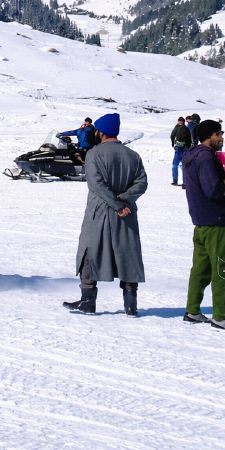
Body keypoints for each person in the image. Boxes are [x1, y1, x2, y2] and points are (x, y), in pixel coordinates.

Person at [63, 113, 148, 317]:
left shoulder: (94, 154)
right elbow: (142, 183)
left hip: (100, 212)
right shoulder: (133, 155)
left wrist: (115, 203)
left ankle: (87, 302)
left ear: (100, 132)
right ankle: (131, 306)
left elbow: (97, 185)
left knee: (89, 252)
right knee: (128, 254)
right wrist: (124, 201)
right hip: (126, 213)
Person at [182, 119, 225, 332]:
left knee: (201, 268)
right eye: (219, 134)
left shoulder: (192, 156)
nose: (222, 138)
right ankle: (220, 316)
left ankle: (192, 310)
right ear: (211, 135)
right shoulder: (206, 157)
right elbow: (215, 190)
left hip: (201, 222)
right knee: (224, 268)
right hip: (216, 221)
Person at [171, 116, 192, 186]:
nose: (179, 122)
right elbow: (172, 136)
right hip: (178, 148)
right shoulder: (176, 128)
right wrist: (173, 144)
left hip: (184, 148)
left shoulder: (186, 129)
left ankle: (185, 182)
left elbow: (189, 138)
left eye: (181, 121)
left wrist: (188, 146)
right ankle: (175, 180)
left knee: (184, 165)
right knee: (175, 164)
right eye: (178, 121)